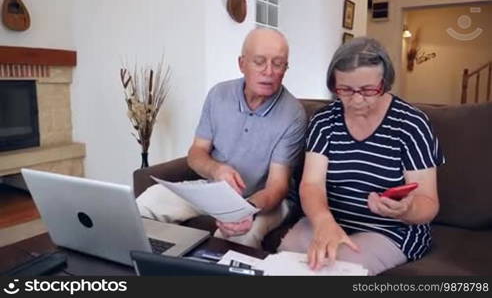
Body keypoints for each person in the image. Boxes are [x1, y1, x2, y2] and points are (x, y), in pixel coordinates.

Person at [278, 37, 444, 275]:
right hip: (329, 220)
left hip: (389, 231)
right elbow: (311, 184)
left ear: (384, 83)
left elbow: (428, 202)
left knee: (336, 269)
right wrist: (324, 222)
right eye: (345, 90)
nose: (356, 100)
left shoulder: (411, 124)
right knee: (285, 262)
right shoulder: (324, 121)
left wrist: (406, 210)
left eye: (367, 90)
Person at [137, 28, 307, 249]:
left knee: (239, 236)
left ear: (286, 68)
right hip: (214, 190)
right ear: (241, 63)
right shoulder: (219, 94)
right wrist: (216, 170)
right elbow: (196, 153)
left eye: (278, 63)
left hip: (265, 201)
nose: (269, 71)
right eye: (259, 61)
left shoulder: (293, 114)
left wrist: (246, 210)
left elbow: (277, 186)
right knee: (148, 201)